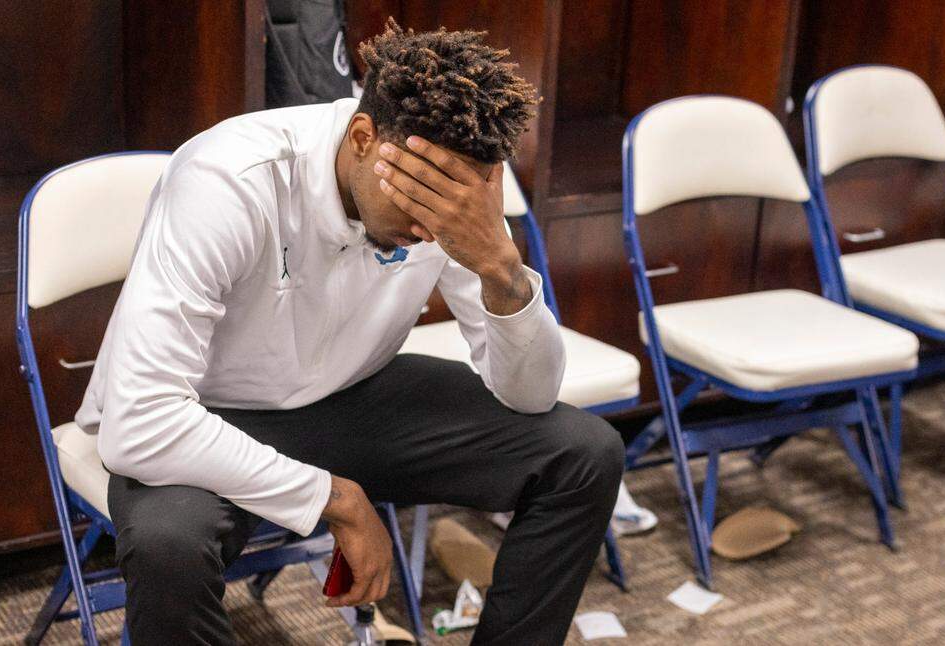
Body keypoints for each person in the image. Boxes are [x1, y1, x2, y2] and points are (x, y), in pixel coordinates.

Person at [74, 19, 623, 646]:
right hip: (207, 412)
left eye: (453, 207)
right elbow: (139, 420)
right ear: (364, 137)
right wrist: (335, 500)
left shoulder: (448, 199)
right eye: (419, 201)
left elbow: (529, 396)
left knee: (584, 454)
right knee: (168, 546)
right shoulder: (231, 178)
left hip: (351, 394)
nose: (431, 227)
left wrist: (500, 269)